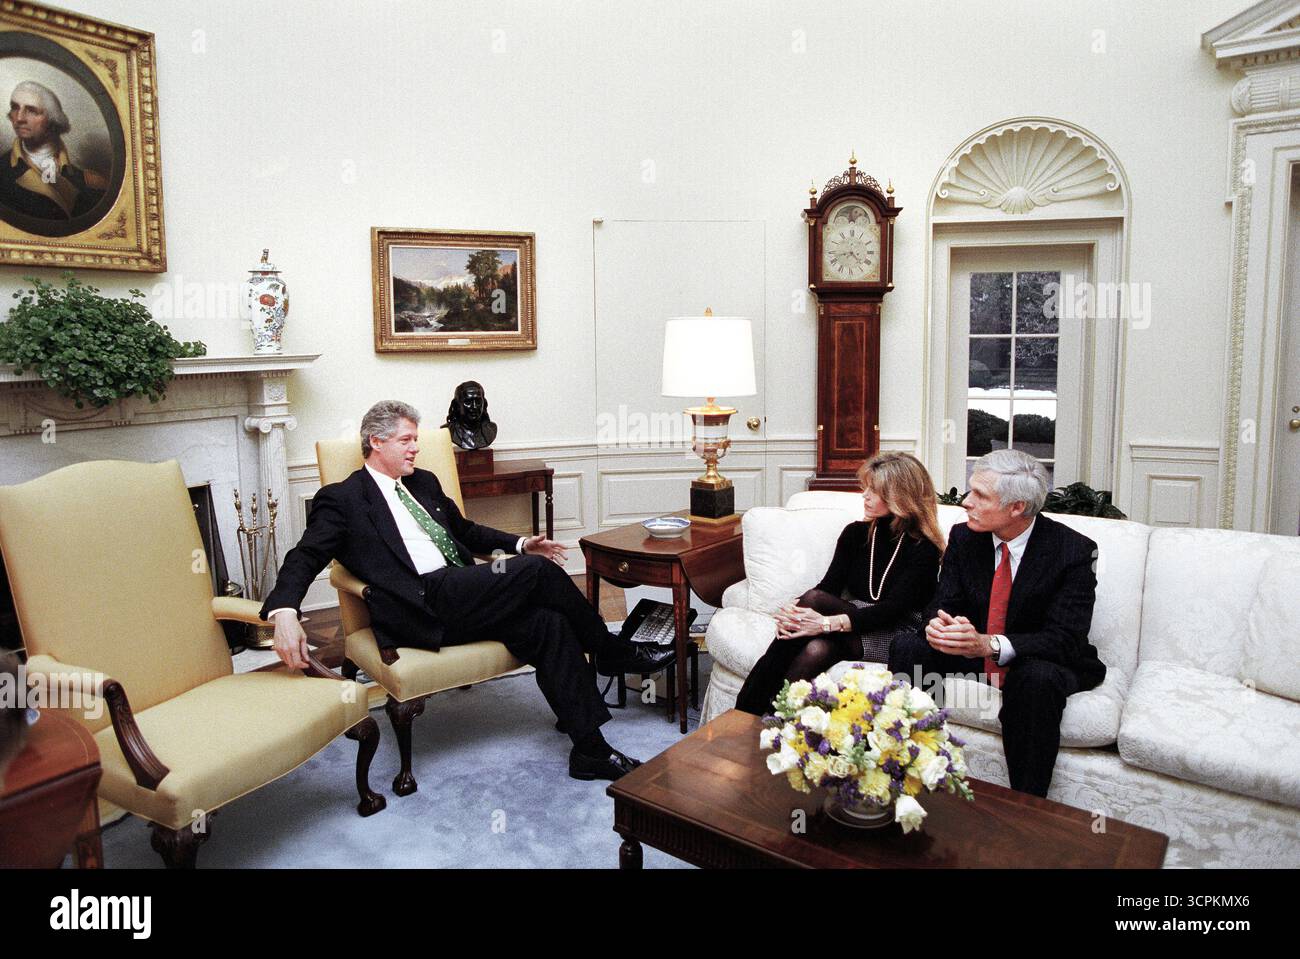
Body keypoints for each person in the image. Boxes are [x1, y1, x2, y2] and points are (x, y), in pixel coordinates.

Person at [261, 400, 674, 781]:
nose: (414, 450)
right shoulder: (342, 499)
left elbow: (465, 532)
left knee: (547, 623)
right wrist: (284, 612)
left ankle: (590, 751)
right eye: (405, 440)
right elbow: (305, 555)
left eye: (416, 441)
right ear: (376, 441)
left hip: (462, 593)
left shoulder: (422, 482)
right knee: (537, 574)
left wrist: (520, 544)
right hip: (420, 603)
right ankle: (611, 651)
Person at [888, 449, 1105, 798]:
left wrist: (990, 644)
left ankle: (1026, 805)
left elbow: (1065, 638)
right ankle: (906, 773)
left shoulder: (1074, 552)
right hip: (973, 649)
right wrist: (938, 626)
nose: (966, 502)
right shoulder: (964, 537)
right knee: (908, 645)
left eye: (980, 495)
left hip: (1034, 657)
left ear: (1016, 507)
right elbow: (941, 602)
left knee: (1037, 678)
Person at [735, 452, 944, 715]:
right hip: (856, 615)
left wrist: (824, 623)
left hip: (896, 626)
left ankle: (747, 715)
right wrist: (792, 610)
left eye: (875, 490)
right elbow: (828, 587)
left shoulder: (923, 549)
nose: (864, 495)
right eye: (865, 487)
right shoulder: (855, 534)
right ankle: (763, 718)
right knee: (814, 629)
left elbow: (892, 609)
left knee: (815, 627)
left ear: (900, 496)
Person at [0, 81, 106, 222]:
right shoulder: (3, 170)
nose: (19, 118)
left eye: (31, 110)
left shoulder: (91, 182)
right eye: (15, 108)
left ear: (53, 120)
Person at [442, 380, 497, 450]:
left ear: (484, 403)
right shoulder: (448, 431)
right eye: (467, 402)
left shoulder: (490, 430)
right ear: (457, 405)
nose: (474, 407)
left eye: (478, 402)